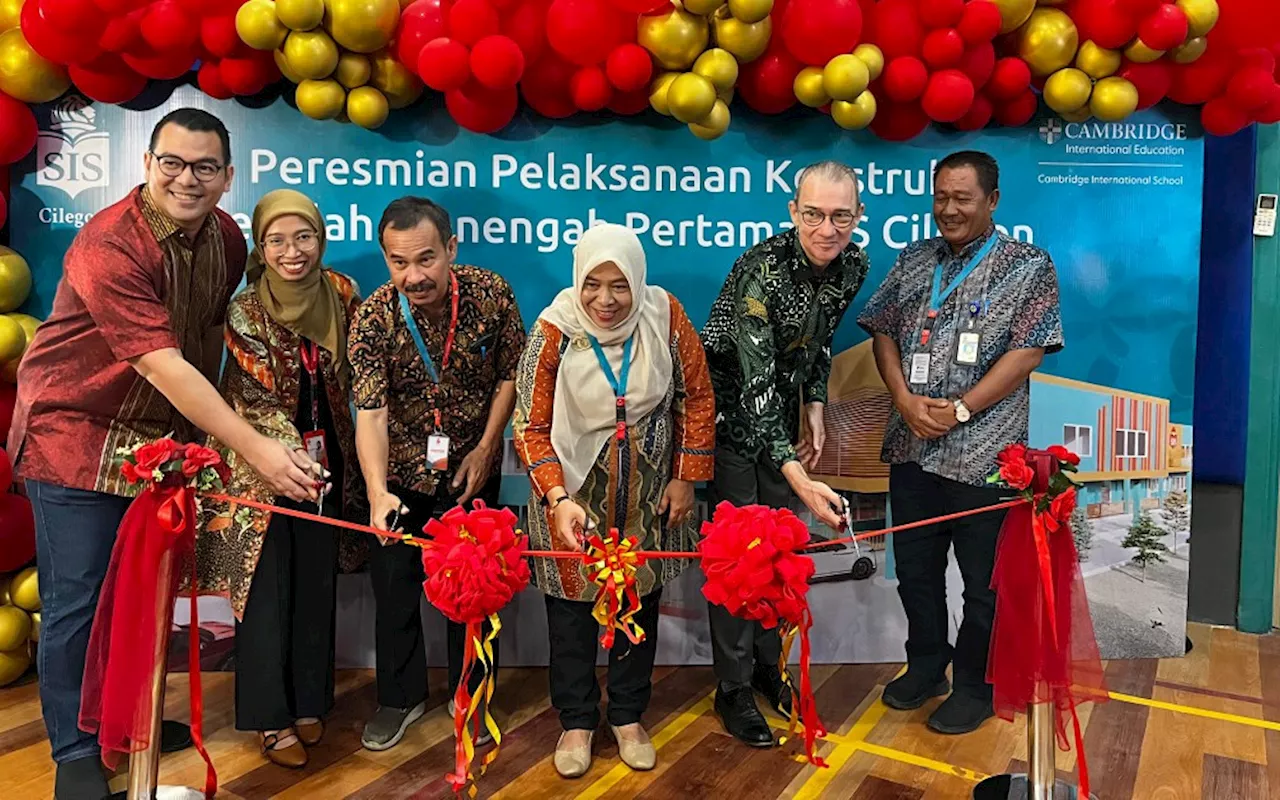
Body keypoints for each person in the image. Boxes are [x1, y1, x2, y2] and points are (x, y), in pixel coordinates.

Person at [6, 109, 321, 799]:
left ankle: (130, 722)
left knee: (143, 599)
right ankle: (77, 756)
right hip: (74, 437)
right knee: (78, 604)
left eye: (205, 167)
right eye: (173, 163)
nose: (188, 178)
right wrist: (258, 450)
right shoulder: (110, 243)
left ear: (228, 177)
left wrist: (213, 438)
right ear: (147, 164)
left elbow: (207, 341)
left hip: (156, 449)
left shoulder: (228, 239)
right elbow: (162, 365)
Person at [857, 150, 1064, 735]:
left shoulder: (1028, 266)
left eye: (962, 199)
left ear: (992, 201)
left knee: (982, 583)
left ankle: (976, 683)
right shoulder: (915, 259)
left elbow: (1029, 351)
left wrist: (964, 409)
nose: (949, 210)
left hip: (983, 453)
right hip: (912, 447)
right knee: (916, 571)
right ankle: (927, 663)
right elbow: (884, 334)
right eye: (941, 197)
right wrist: (902, 400)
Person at [513, 223, 715, 778]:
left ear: (638, 281)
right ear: (578, 281)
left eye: (620, 285)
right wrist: (556, 497)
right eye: (593, 285)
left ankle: (627, 715)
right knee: (571, 611)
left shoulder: (665, 314)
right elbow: (528, 425)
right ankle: (577, 720)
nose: (606, 300)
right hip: (570, 497)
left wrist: (685, 477)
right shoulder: (554, 328)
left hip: (649, 495)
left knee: (637, 605)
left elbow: (697, 396)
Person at [189, 189, 367, 768]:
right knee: (268, 593)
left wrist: (330, 466)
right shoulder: (245, 308)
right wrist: (292, 462)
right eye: (277, 241)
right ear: (261, 248)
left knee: (316, 584)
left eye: (304, 237)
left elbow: (356, 376)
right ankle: (271, 720)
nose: (293, 253)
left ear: (321, 237)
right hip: (260, 469)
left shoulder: (341, 293)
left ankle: (311, 702)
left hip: (327, 468)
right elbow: (255, 399)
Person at [699, 159, 869, 747]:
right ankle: (733, 688)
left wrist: (817, 403)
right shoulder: (760, 272)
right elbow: (755, 383)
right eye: (815, 214)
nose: (828, 228)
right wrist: (799, 477)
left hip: (781, 424)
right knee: (737, 556)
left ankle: (769, 670)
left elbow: (819, 342)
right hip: (728, 421)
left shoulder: (854, 266)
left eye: (841, 216)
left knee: (779, 550)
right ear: (794, 212)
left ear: (857, 216)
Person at [349, 196, 526, 752]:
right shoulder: (373, 317)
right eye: (399, 262)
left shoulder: (491, 295)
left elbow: (509, 376)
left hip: (471, 472)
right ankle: (399, 698)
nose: (414, 276)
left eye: (425, 259)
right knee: (396, 588)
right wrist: (377, 492)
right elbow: (370, 412)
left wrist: (486, 449)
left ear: (450, 248)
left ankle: (471, 693)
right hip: (399, 474)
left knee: (474, 588)